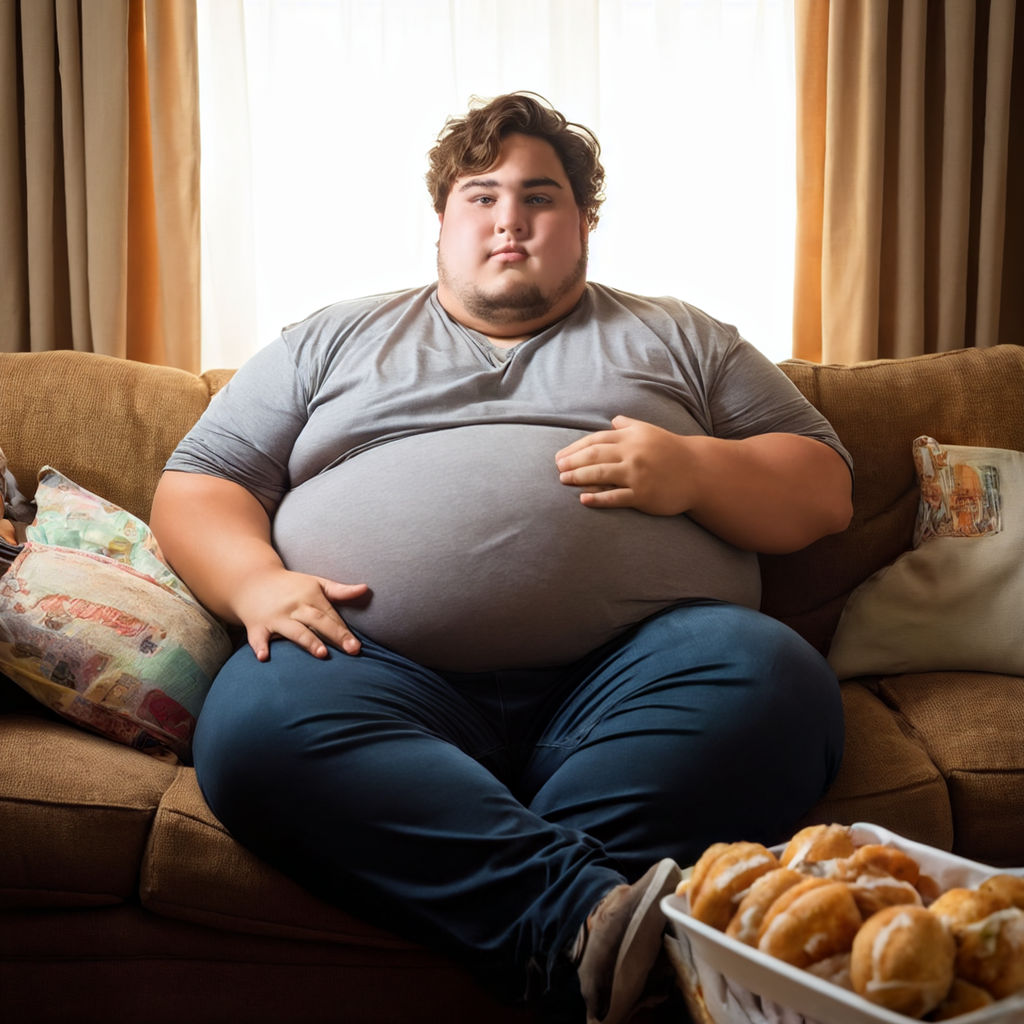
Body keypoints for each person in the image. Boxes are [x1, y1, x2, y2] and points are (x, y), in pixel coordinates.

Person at [150, 91, 853, 1023]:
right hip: (373, 671)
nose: (509, 220)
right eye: (480, 196)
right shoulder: (330, 340)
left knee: (777, 681)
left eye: (540, 196)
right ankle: (582, 924)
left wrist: (695, 469)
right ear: (440, 222)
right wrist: (255, 581)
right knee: (252, 730)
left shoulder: (685, 338)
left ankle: (544, 915)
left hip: (638, 674)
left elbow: (821, 487)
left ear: (586, 222)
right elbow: (200, 481)